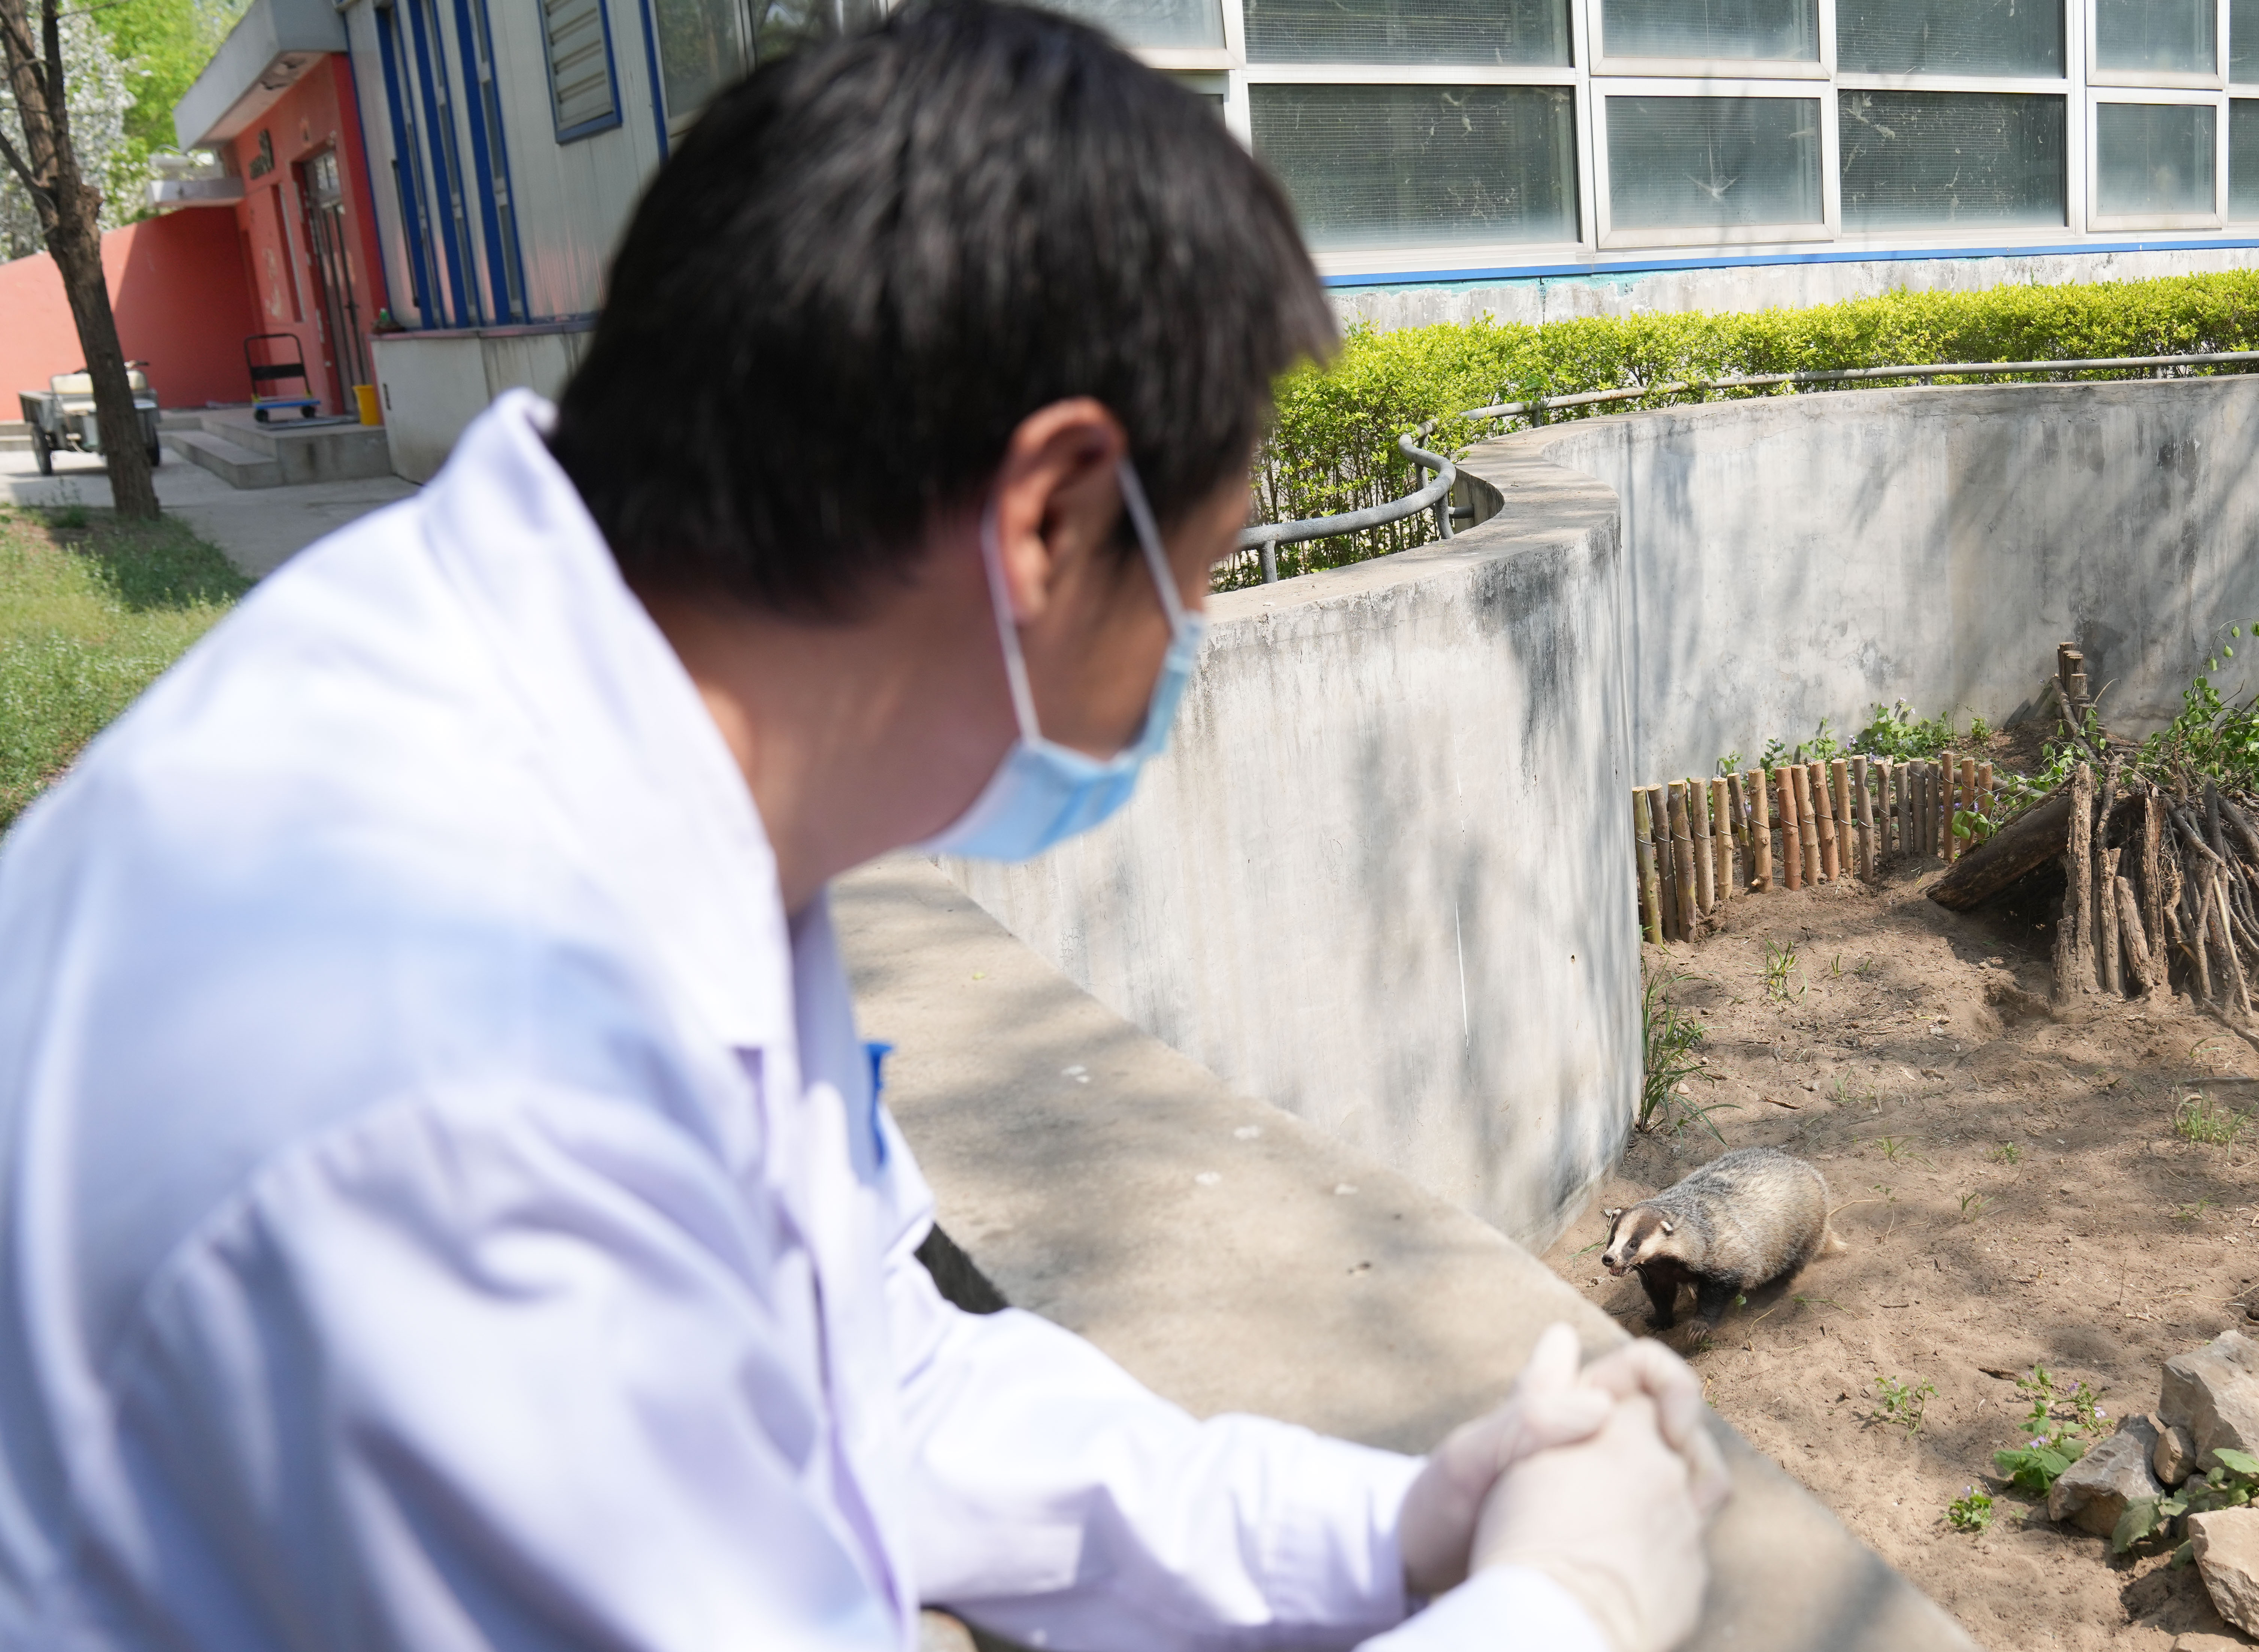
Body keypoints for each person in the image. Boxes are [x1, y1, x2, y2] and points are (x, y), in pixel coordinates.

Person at [0, 5, 1724, 1648]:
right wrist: (1557, 1611)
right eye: (1193, 578)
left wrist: (1396, 1526)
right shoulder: (465, 1088)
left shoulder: (591, 734)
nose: (1182, 651)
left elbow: (871, 1383)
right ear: (1048, 517)